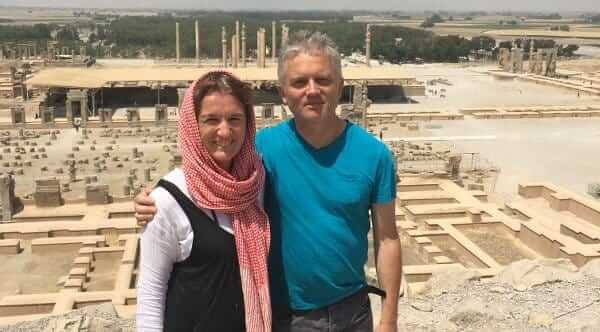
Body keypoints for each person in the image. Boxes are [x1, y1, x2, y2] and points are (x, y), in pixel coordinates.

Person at [135, 31, 402, 332]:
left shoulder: (375, 155)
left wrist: (389, 317)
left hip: (352, 311)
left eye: (323, 80)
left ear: (341, 85)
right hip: (286, 315)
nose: (312, 91)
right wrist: (154, 199)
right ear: (283, 93)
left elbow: (388, 239)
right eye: (299, 82)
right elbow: (207, 175)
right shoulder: (260, 151)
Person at [136, 71, 271, 332]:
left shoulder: (256, 184)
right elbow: (151, 295)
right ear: (192, 125)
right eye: (211, 120)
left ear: (248, 124)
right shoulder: (166, 201)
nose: (225, 131)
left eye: (235, 119)